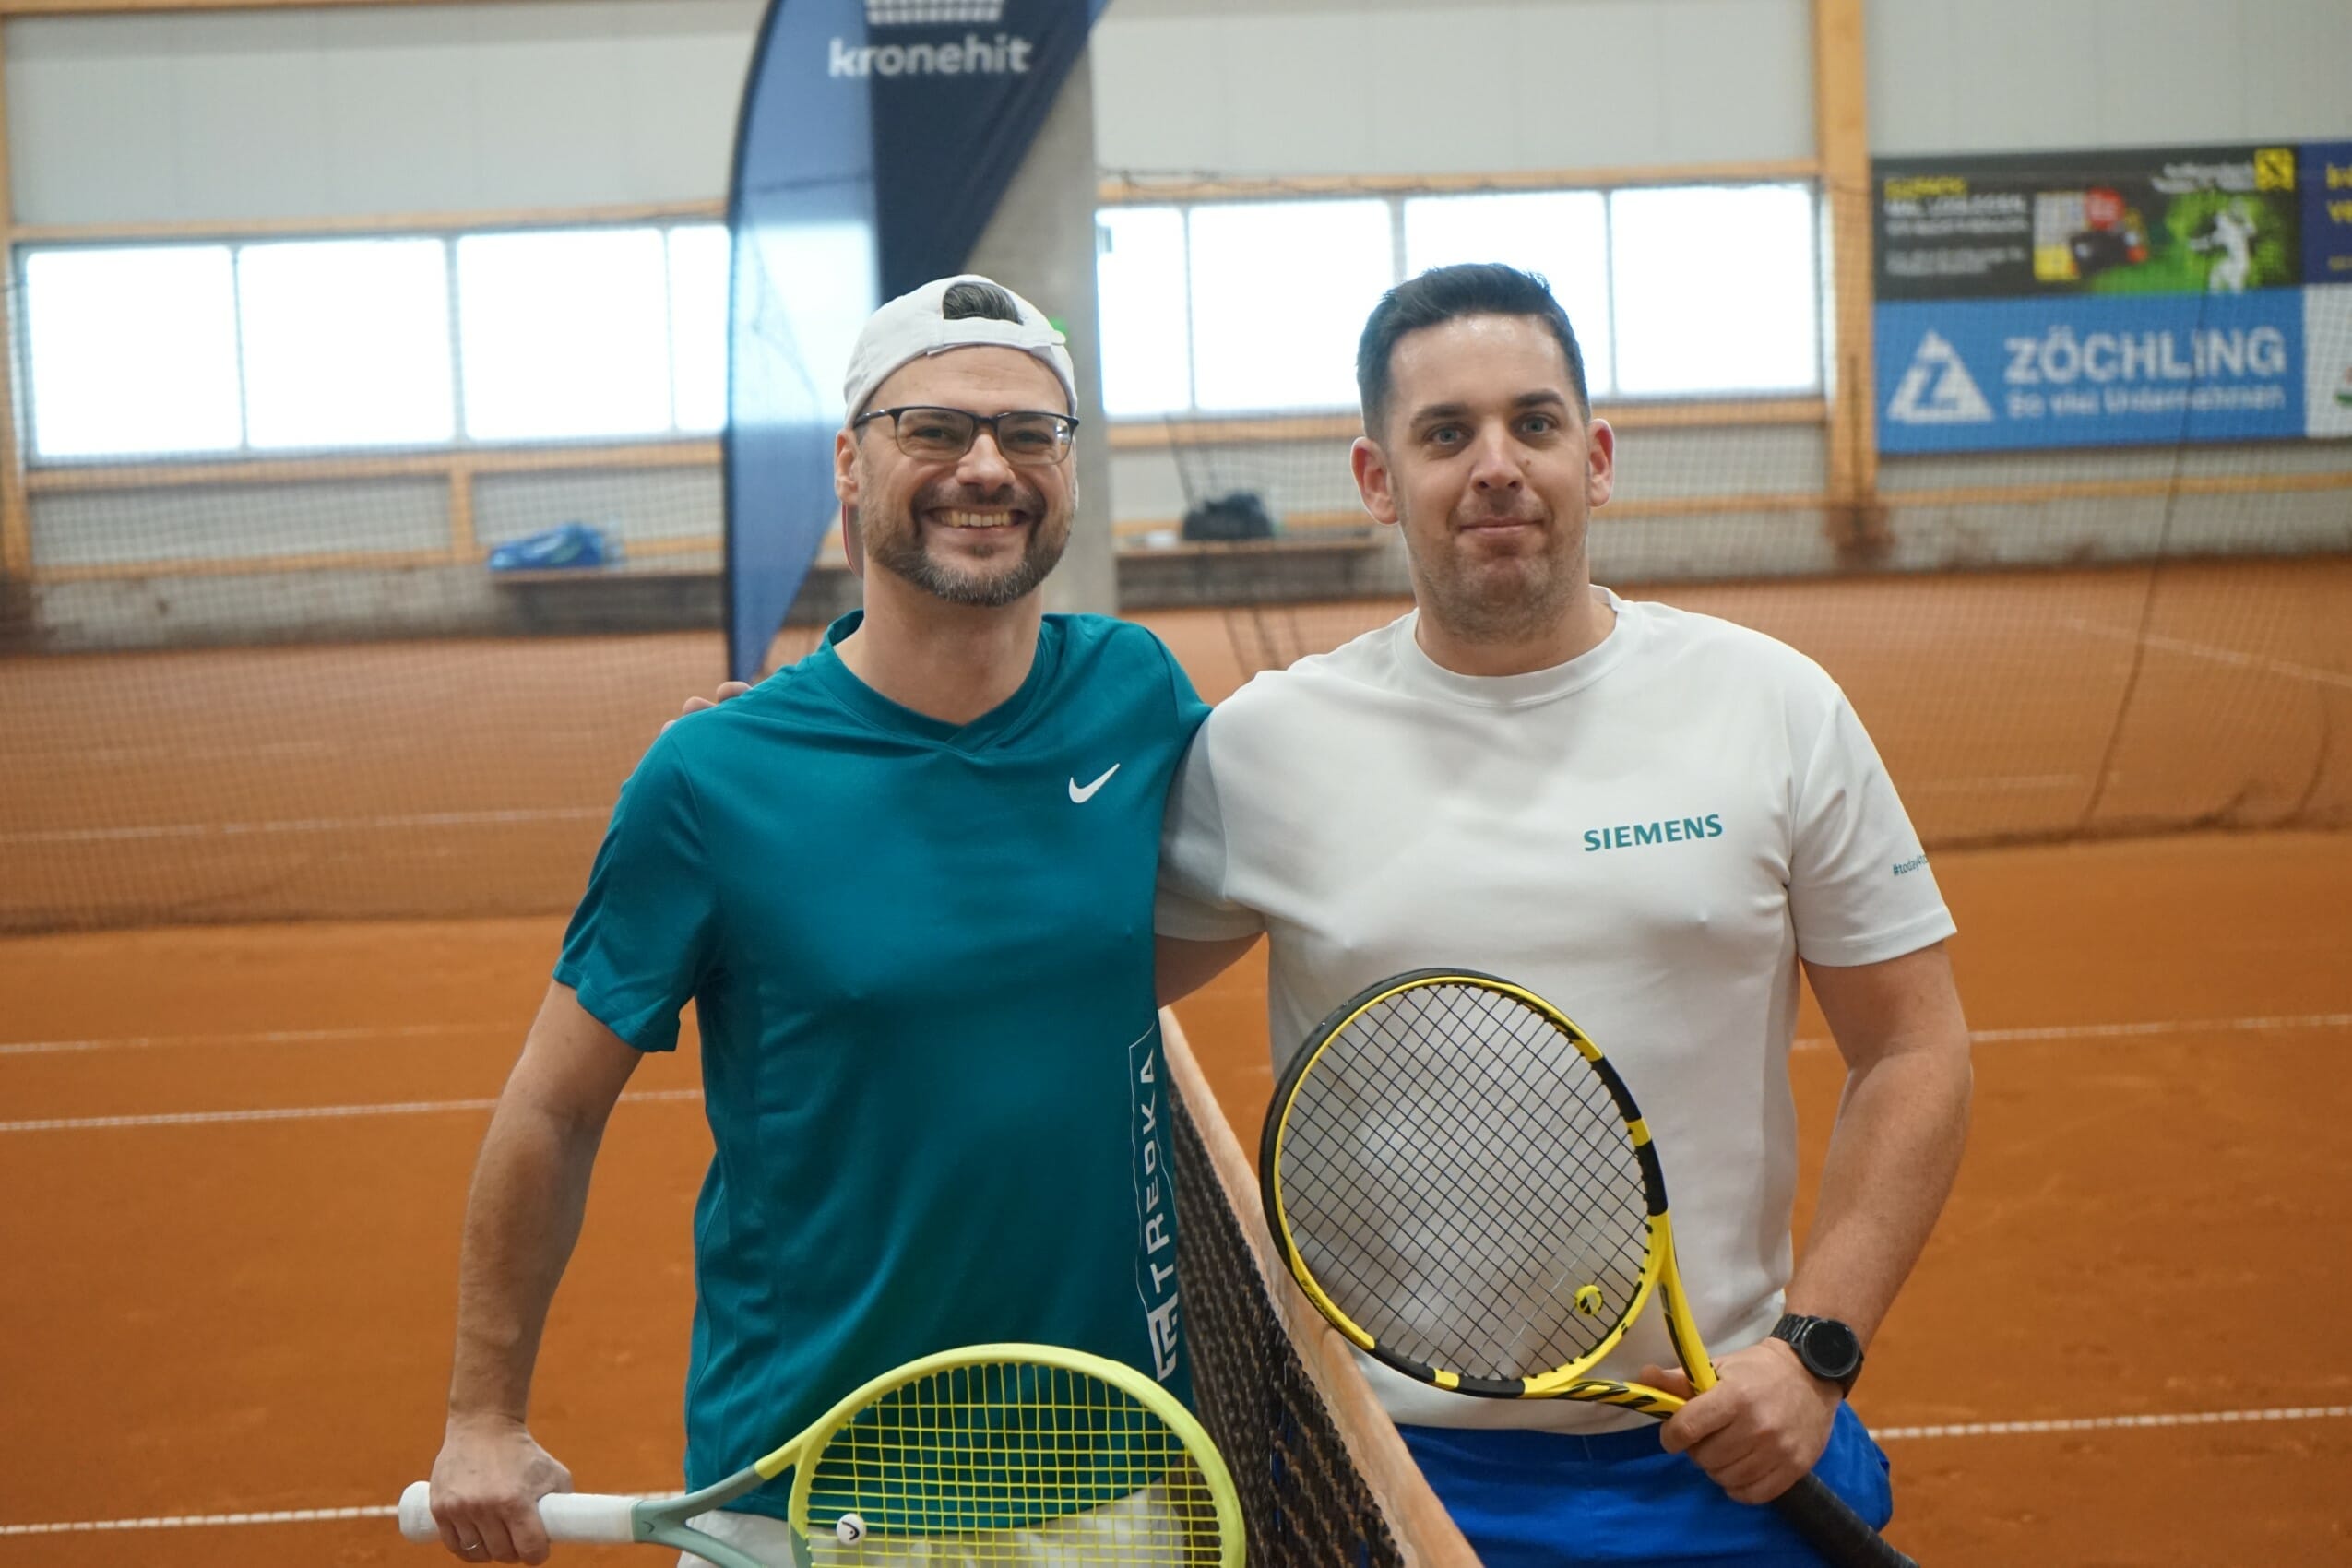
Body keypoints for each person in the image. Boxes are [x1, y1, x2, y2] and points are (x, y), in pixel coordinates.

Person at [1150, 263, 1973, 1566]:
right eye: (1445, 433)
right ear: (1377, 479)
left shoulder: (1772, 704)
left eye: (1532, 423)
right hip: (1391, 1469)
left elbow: (1914, 1048)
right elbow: (1061, 985)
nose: (1496, 466)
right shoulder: (1268, 746)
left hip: (1728, 1442)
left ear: (1593, 458)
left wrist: (1812, 1355)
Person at [423, 274, 1210, 1568]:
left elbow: (1202, 915)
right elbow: (551, 1109)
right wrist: (481, 1418)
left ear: (1068, 469)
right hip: (806, 1492)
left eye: (1028, 433)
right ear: (851, 463)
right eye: (933, 428)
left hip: (1108, 1476)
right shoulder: (711, 779)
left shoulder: (1135, 692)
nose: (986, 467)